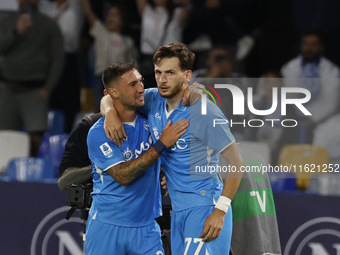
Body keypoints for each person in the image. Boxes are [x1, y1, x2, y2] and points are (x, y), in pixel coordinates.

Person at [102, 43, 245, 254]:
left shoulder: (204, 111)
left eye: (170, 73)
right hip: (178, 211)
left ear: (187, 76)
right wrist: (109, 114)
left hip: (205, 206)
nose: (162, 79)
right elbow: (112, 95)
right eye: (158, 72)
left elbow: (237, 164)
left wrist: (220, 211)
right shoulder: (153, 100)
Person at [85, 63, 189, 255]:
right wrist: (161, 144)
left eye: (141, 81)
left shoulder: (151, 120)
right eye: (133, 84)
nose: (141, 88)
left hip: (147, 228)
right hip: (107, 227)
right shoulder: (99, 132)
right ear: (113, 93)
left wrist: (164, 175)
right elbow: (123, 175)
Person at [0, 0, 64, 156]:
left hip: (35, 90)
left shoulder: (48, 25)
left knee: (37, 137)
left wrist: (48, 88)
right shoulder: (7, 22)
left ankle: (35, 171)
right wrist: (15, 32)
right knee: (5, 136)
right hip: (8, 87)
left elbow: (58, 59)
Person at [281, 31, 340, 143]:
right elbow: (288, 95)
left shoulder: (331, 70)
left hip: (322, 119)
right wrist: (295, 117)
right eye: (306, 44)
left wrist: (311, 119)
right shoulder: (290, 67)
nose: (309, 48)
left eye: (314, 44)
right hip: (293, 116)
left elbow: (331, 102)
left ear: (321, 47)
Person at [80, 0, 138, 111]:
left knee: (118, 110)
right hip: (100, 79)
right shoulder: (101, 32)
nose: (110, 17)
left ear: (122, 20)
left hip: (119, 81)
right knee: (99, 110)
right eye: (108, 14)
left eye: (115, 15)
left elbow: (133, 66)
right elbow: (88, 12)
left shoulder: (128, 42)